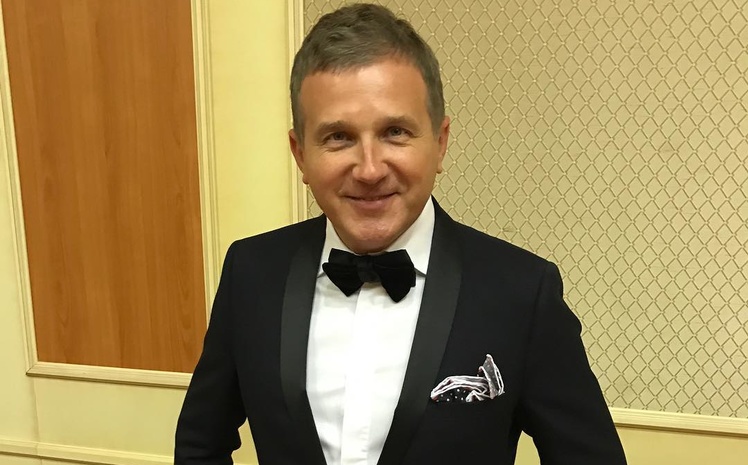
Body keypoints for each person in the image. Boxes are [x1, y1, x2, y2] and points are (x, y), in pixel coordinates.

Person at [175, 3, 627, 464]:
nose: (369, 170)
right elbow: (200, 444)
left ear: (440, 143)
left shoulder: (522, 293)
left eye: (394, 132)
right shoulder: (251, 273)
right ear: (300, 154)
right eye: (338, 137)